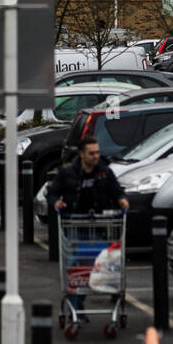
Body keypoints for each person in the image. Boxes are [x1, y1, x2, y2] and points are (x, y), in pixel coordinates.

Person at [51, 137, 130, 322]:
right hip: (74, 223)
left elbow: (117, 191)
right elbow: (53, 192)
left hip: (98, 225)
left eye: (97, 152)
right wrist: (56, 202)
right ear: (81, 154)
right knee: (75, 265)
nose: (96, 156)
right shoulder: (67, 173)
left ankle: (78, 306)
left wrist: (122, 199)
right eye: (91, 153)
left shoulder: (104, 172)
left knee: (91, 266)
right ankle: (75, 309)